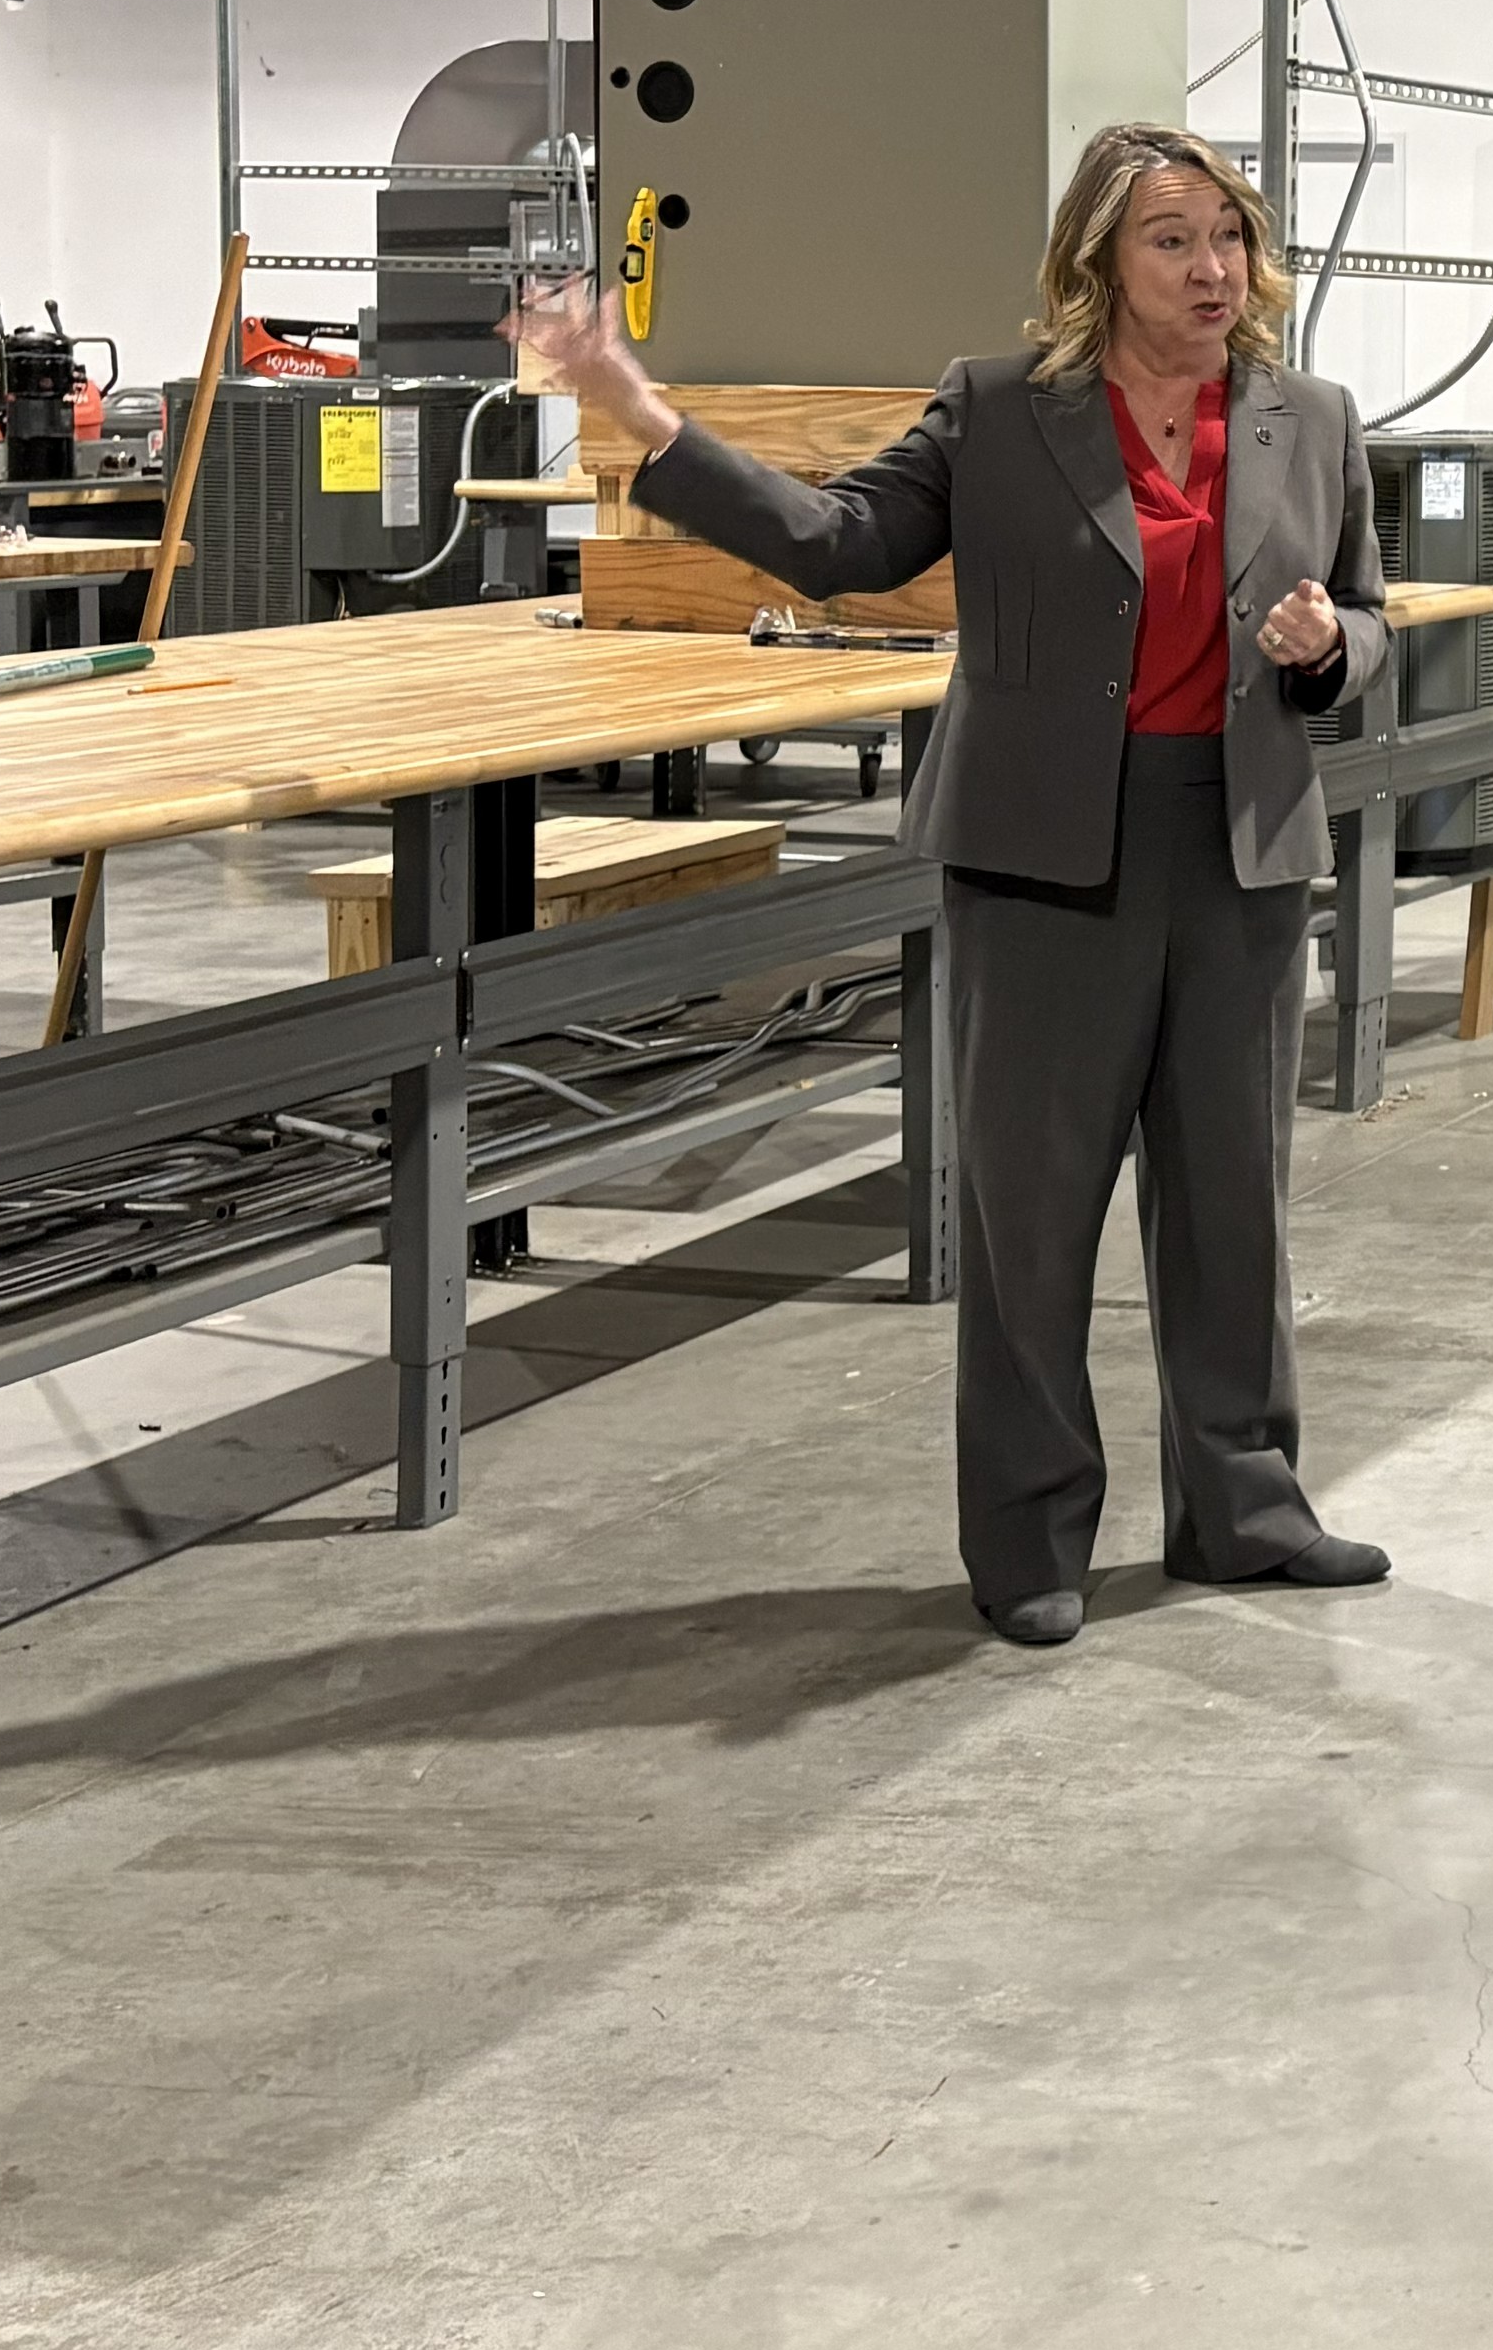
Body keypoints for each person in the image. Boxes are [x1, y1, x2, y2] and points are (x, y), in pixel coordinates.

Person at [515, 123, 1399, 1651]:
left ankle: (1245, 1512)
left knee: (1233, 1209)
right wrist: (638, 412)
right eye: (1173, 240)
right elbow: (836, 545)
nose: (1212, 269)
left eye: (1230, 238)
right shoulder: (1000, 411)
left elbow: (1370, 618)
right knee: (1031, 1217)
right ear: (1099, 261)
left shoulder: (1309, 418)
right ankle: (1031, 1539)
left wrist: (1333, 646)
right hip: (1045, 858)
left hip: (1243, 853)